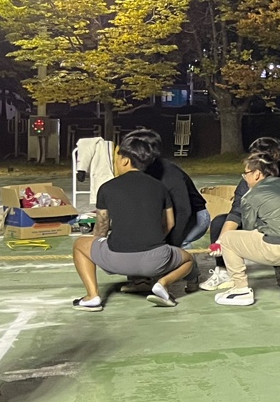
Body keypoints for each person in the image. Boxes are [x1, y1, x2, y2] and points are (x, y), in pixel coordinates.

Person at [72, 132, 196, 309]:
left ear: (125, 161)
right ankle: (162, 284)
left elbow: (101, 227)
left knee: (80, 245)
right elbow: (169, 224)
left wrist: (99, 245)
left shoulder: (107, 187)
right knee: (189, 260)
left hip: (116, 261)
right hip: (156, 261)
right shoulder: (160, 187)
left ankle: (92, 296)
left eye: (117, 158)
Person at [213, 152, 280, 306]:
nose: (245, 178)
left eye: (246, 173)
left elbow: (248, 229)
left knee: (228, 239)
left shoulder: (251, 195)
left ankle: (240, 289)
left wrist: (220, 244)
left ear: (257, 174)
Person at [200, 136, 280, 291]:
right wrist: (221, 241)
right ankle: (224, 271)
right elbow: (236, 212)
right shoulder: (248, 180)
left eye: (254, 155)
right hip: (251, 223)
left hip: (278, 229)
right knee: (220, 222)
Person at [127, 127, 208, 248]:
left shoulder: (170, 175)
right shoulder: (141, 171)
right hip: (166, 215)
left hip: (195, 216)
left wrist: (172, 243)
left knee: (176, 246)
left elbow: (184, 212)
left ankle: (186, 255)